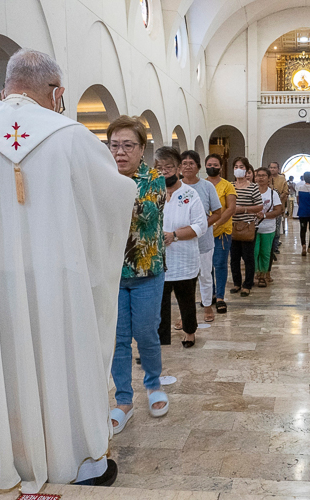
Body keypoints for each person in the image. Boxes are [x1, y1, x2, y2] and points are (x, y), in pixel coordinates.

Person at [0, 48, 136, 491]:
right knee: (63, 362)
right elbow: (111, 202)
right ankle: (80, 463)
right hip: (55, 285)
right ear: (56, 92)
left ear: (8, 83)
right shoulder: (69, 136)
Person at [108, 116, 168, 436]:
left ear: (142, 148)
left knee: (145, 335)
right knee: (117, 339)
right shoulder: (103, 176)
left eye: (128, 145)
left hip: (147, 272)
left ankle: (154, 384)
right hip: (112, 275)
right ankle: (123, 400)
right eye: (114, 145)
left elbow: (140, 212)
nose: (120, 152)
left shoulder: (155, 179)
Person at [158, 147, 207, 348]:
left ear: (178, 168)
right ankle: (160, 339)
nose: (164, 171)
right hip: (157, 260)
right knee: (159, 305)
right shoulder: (153, 192)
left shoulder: (189, 194)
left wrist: (175, 235)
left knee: (186, 300)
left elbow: (200, 226)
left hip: (183, 258)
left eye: (168, 167)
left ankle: (189, 332)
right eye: (160, 168)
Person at [180, 150, 222, 323]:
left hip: (203, 241)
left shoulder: (207, 187)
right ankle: (185, 315)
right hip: (180, 241)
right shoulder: (175, 187)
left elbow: (218, 212)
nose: (188, 166)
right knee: (184, 280)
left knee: (205, 275)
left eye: (191, 163)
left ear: (198, 167)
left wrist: (202, 226)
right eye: (184, 163)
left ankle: (206, 306)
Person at [205, 154, 237, 314]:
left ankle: (220, 297)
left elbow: (230, 208)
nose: (212, 167)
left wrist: (216, 222)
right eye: (209, 164)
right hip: (204, 232)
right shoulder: (201, 184)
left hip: (222, 231)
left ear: (220, 167)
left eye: (215, 164)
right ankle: (209, 294)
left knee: (220, 264)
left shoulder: (227, 185)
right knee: (206, 265)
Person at [230, 157, 263, 296]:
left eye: (242, 167)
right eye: (236, 166)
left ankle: (247, 284)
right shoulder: (229, 186)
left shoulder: (253, 187)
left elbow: (259, 206)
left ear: (247, 170)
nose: (239, 169)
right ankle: (237, 283)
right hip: (232, 226)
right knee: (234, 258)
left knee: (248, 257)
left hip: (248, 226)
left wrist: (242, 209)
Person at [254, 167, 283, 286]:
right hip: (253, 228)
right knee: (254, 252)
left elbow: (278, 210)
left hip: (268, 228)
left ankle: (263, 274)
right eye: (258, 175)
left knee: (265, 252)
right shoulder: (252, 191)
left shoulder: (273, 194)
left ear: (269, 178)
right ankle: (256, 272)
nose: (260, 178)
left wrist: (264, 215)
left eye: (263, 175)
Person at [268, 161, 288, 256]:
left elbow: (286, 191)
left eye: (274, 167)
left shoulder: (282, 179)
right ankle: (268, 247)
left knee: (276, 228)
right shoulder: (266, 178)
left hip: (278, 206)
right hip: (266, 207)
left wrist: (277, 198)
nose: (272, 169)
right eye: (271, 167)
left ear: (278, 169)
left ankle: (275, 247)